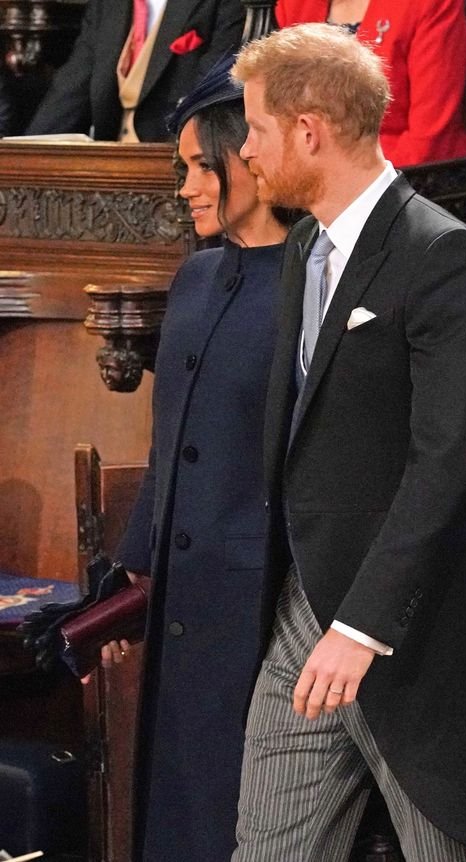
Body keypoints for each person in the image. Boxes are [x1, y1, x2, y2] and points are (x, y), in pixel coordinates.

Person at [230, 23, 466, 861]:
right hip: (300, 611)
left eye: (254, 127)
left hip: (408, 629)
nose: (244, 150)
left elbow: (443, 462)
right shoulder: (300, 251)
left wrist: (361, 626)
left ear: (308, 130)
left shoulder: (443, 255)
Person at [102, 56, 290, 861]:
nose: (186, 188)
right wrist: (131, 578)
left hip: (260, 607)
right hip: (184, 601)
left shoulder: (316, 284)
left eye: (195, 166)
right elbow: (168, 441)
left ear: (247, 156)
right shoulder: (194, 278)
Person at [275, 0, 466, 167]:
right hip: (312, 172)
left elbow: (428, 139)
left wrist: (342, 177)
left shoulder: (430, 4)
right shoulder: (292, 5)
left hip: (414, 179)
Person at [26, 0, 245, 141]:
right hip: (111, 166)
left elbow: (212, 97)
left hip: (179, 165)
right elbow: (71, 92)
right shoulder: (108, 6)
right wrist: (22, 157)